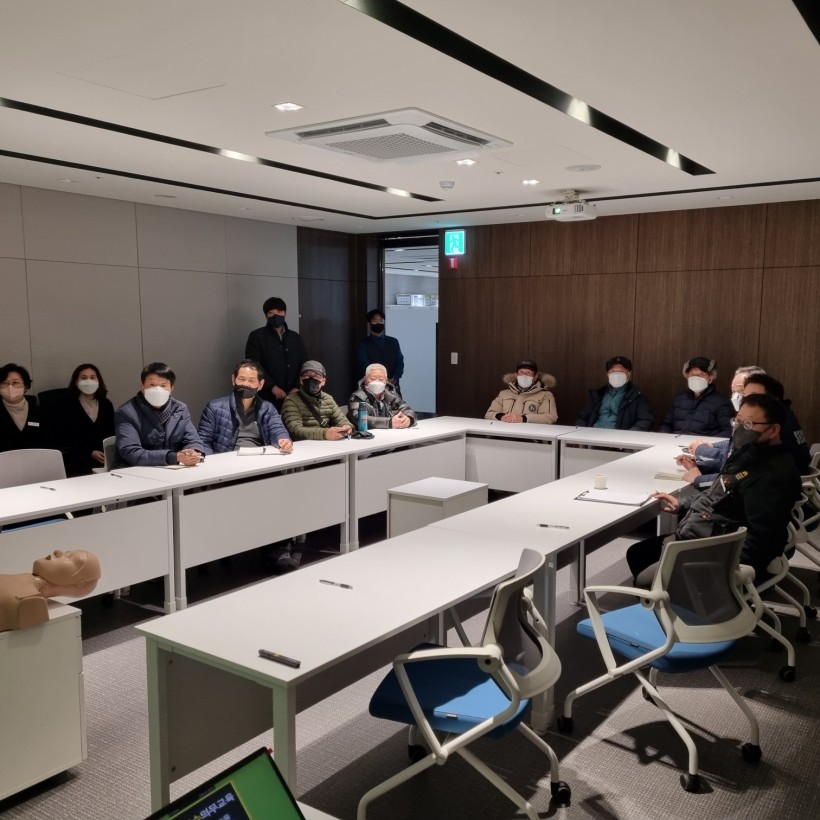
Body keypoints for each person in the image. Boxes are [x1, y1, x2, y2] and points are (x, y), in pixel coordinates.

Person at [628, 393, 801, 585]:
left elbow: (762, 539)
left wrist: (724, 573)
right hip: (707, 533)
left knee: (644, 578)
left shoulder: (772, 475)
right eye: (738, 421)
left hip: (719, 552)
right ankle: (673, 599)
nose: (739, 429)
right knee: (638, 554)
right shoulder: (748, 454)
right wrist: (682, 503)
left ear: (774, 430)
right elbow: (719, 493)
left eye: (748, 424)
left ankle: (683, 599)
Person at [681, 373, 811, 484]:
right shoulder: (785, 416)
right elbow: (735, 461)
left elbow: (738, 479)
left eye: (754, 396)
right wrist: (701, 465)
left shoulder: (772, 430)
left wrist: (698, 479)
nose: (746, 401)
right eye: (745, 395)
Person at [114, 362, 205, 467]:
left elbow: (193, 439)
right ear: (142, 387)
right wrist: (173, 457)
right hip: (135, 471)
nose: (158, 389)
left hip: (173, 469)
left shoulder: (180, 409)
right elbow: (131, 452)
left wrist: (193, 452)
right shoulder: (126, 412)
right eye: (152, 385)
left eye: (163, 385)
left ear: (171, 388)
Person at [198, 360, 292, 454]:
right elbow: (203, 442)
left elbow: (278, 430)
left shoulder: (268, 409)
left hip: (260, 459)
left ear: (260, 385)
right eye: (241, 379)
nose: (246, 384)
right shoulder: (214, 408)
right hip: (227, 460)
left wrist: (283, 440)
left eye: (251, 380)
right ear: (233, 380)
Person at [0, 550, 101, 632]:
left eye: (70, 558)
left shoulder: (28, 599)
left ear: (80, 582)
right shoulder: (23, 589)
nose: (58, 552)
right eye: (67, 552)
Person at [244, 297, 307, 409]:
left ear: (285, 313)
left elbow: (305, 364)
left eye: (279, 311)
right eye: (271, 313)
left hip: (295, 396)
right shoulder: (256, 336)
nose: (276, 315)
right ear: (266, 316)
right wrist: (272, 387)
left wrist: (297, 386)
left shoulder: (295, 337)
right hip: (266, 396)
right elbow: (253, 366)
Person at [53, 363, 116, 476]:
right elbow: (64, 437)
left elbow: (112, 432)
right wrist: (89, 452)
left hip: (104, 461)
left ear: (98, 381)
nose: (88, 381)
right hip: (77, 461)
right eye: (83, 378)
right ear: (76, 382)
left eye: (92, 377)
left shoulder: (106, 404)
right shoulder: (66, 405)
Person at [660, 357, 733, 437]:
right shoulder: (679, 399)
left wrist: (708, 443)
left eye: (700, 375)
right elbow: (666, 424)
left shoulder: (721, 402)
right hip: (676, 442)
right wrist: (666, 439)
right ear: (687, 376)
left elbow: (727, 430)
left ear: (710, 378)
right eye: (692, 374)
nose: (695, 378)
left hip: (703, 444)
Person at [575, 356, 653, 431]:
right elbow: (583, 417)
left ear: (628, 374)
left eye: (621, 371)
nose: (616, 375)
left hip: (619, 438)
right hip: (593, 435)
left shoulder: (637, 397)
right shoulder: (598, 395)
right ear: (608, 374)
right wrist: (581, 431)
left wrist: (629, 435)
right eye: (613, 371)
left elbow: (645, 420)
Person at [281, 361, 352, 441]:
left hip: (327, 444)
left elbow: (341, 420)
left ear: (323, 381)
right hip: (303, 445)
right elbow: (295, 430)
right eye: (306, 376)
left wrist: (346, 426)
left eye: (316, 376)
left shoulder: (328, 399)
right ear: (301, 380)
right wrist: (325, 434)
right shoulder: (291, 401)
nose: (311, 379)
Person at [485, 360, 558, 424]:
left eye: (528, 373)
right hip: (504, 433)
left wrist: (523, 418)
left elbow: (550, 417)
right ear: (516, 375)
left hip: (529, 435)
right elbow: (489, 414)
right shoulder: (503, 394)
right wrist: (501, 417)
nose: (524, 375)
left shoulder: (545, 395)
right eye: (521, 372)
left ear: (535, 376)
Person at [347, 364, 416, 430]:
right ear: (365, 380)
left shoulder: (391, 394)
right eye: (372, 379)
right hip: (366, 435)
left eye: (381, 379)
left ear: (386, 380)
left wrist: (409, 418)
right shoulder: (357, 397)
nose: (377, 382)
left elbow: (406, 408)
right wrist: (389, 422)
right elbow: (359, 418)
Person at [0, 363, 46, 452]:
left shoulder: (40, 412)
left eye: (15, 383)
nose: (10, 387)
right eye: (4, 383)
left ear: (25, 387)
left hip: (35, 458)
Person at [357, 309, 405, 391]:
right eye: (375, 321)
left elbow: (400, 362)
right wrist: (379, 380)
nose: (378, 323)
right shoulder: (363, 344)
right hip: (372, 387)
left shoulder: (393, 342)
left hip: (392, 386)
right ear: (369, 324)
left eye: (381, 321)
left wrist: (394, 377)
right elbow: (364, 366)